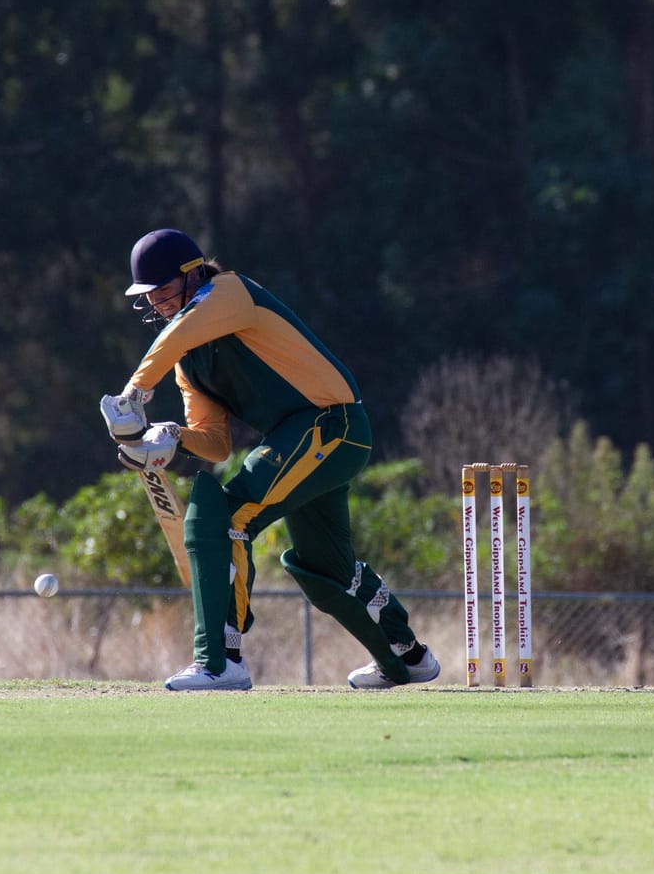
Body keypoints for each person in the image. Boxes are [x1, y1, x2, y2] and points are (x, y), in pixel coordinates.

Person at [99, 228, 440, 692]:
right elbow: (215, 442)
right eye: (149, 295)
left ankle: (222, 661)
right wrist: (173, 437)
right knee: (325, 567)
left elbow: (180, 332)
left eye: (163, 289)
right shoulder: (185, 359)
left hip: (330, 423)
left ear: (193, 273)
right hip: (303, 440)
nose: (156, 302)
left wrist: (133, 394)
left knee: (225, 516)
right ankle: (408, 655)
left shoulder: (229, 292)